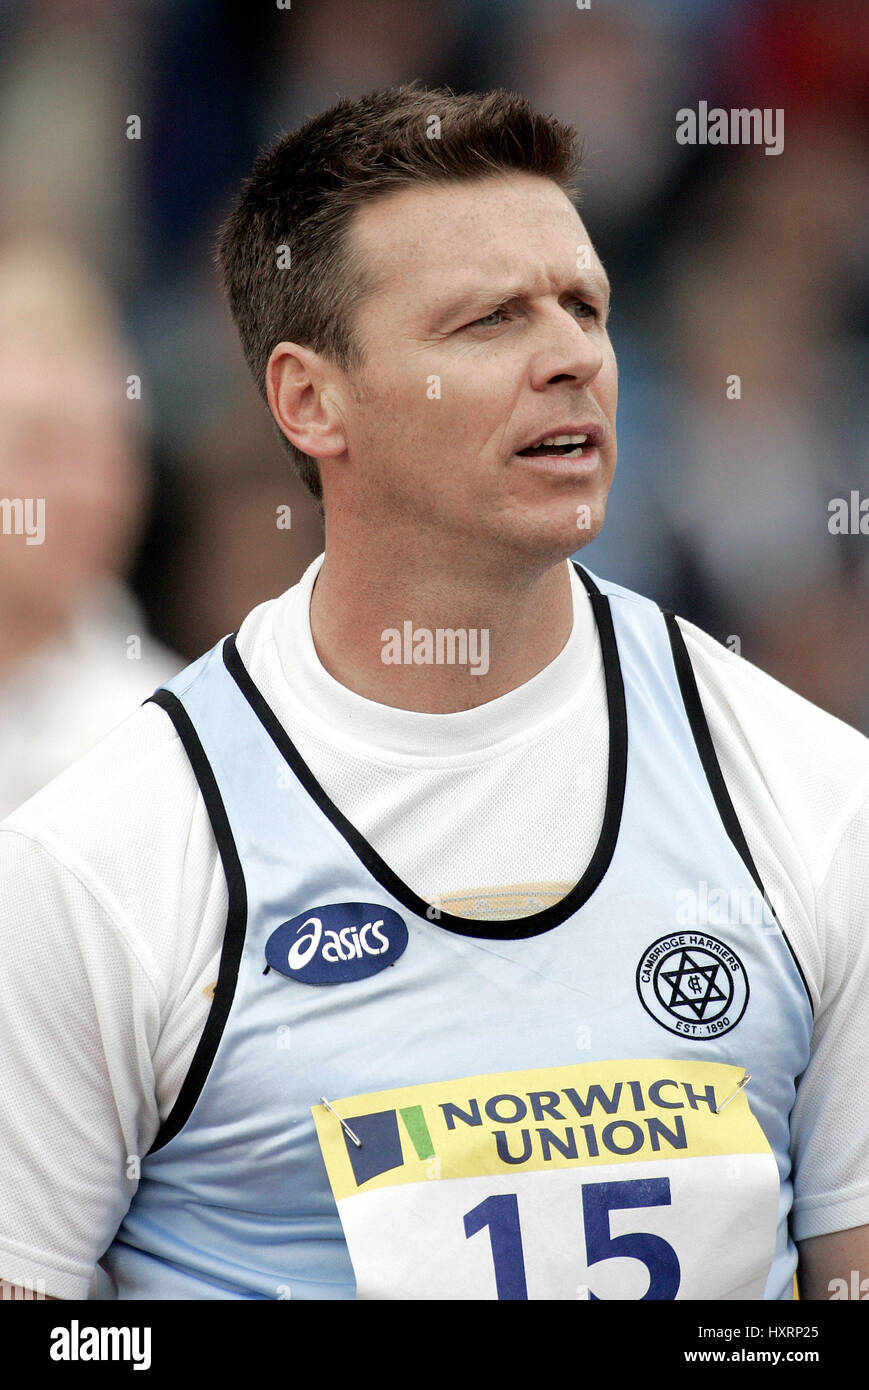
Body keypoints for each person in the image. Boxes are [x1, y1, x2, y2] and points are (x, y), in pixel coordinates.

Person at [1, 83, 867, 1302]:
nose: (569, 356)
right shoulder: (95, 860)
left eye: (583, 307)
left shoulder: (809, 787)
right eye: (489, 321)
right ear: (311, 400)